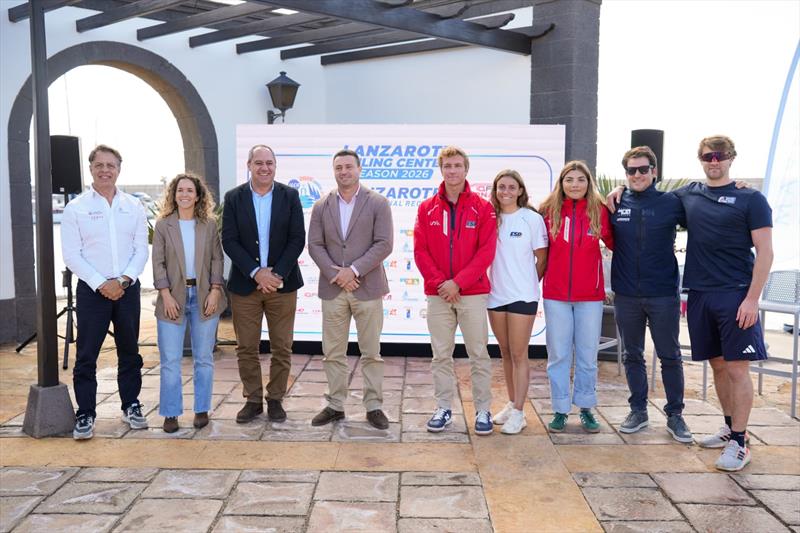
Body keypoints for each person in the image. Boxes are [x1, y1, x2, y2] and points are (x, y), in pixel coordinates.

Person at [677, 136, 772, 470]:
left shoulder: (751, 199)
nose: (713, 161)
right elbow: (653, 201)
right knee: (717, 365)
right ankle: (730, 427)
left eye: (720, 156)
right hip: (700, 294)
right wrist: (619, 194)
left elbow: (766, 252)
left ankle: (741, 442)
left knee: (736, 367)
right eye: (707, 156)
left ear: (732, 158)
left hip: (735, 294)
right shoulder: (690, 194)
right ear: (700, 159)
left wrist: (751, 299)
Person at [61, 144, 149, 440]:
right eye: (99, 165)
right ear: (91, 169)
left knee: (130, 351)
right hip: (91, 291)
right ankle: (85, 412)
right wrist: (102, 283)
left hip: (127, 290)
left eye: (111, 165)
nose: (105, 170)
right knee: (86, 355)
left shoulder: (134, 206)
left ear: (119, 169)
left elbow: (140, 249)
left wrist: (123, 280)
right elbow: (72, 256)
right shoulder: (76, 208)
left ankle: (131, 404)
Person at [610, 146, 693, 443]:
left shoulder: (672, 202)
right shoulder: (615, 203)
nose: (637, 175)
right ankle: (638, 410)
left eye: (643, 169)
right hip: (626, 295)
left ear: (654, 171)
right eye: (631, 171)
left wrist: (738, 186)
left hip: (663, 294)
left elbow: (702, 193)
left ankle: (675, 415)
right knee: (632, 355)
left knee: (670, 355)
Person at [413, 146, 497, 435]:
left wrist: (458, 282)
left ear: (466, 169)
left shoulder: (483, 208)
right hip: (438, 294)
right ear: (441, 169)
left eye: (457, 165)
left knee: (478, 354)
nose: (452, 170)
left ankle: (483, 409)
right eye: (447, 165)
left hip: (471, 293)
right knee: (441, 355)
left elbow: (486, 251)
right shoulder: (426, 208)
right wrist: (442, 284)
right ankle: (444, 407)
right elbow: (420, 251)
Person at [307, 149, 394, 429]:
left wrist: (353, 271)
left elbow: (384, 243)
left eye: (348, 167)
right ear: (333, 172)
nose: (344, 172)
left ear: (359, 169)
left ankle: (374, 406)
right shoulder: (321, 205)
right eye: (338, 168)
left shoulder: (378, 203)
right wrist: (338, 275)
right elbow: (315, 245)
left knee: (371, 352)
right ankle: (335, 404)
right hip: (334, 290)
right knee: (333, 352)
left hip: (366, 288)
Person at [222, 145, 305, 424]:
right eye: (259, 162)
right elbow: (229, 241)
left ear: (275, 166)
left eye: (269, 163)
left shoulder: (290, 195)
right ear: (249, 165)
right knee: (246, 347)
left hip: (283, 285)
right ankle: (254, 400)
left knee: (282, 347)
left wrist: (276, 274)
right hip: (246, 286)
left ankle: (276, 399)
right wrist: (257, 272)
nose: (264, 168)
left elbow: (297, 239)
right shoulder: (234, 197)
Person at [539, 161, 614, 433]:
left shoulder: (599, 211)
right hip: (556, 294)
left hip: (590, 297)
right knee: (558, 355)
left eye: (580, 179)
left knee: (586, 354)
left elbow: (616, 243)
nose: (574, 185)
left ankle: (585, 407)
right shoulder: (548, 211)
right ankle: (560, 409)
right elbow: (536, 249)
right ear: (561, 183)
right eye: (569, 179)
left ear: (588, 182)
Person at [152, 173, 227, 433]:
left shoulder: (208, 225)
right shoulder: (164, 225)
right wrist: (166, 294)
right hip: (172, 297)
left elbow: (217, 259)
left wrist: (216, 290)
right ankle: (171, 413)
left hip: (205, 296)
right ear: (174, 194)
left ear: (198, 196)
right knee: (170, 359)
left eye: (190, 191)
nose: (184, 195)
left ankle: (201, 409)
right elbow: (158, 263)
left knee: (203, 358)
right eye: (180, 190)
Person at [487, 170, 548, 435]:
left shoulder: (531, 219)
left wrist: (528, 284)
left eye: (512, 187)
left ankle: (521, 413)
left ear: (521, 190)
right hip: (496, 295)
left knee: (520, 353)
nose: (506, 192)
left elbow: (542, 258)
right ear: (495, 190)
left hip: (523, 296)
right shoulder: (490, 219)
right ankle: (512, 404)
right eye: (502, 187)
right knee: (505, 350)